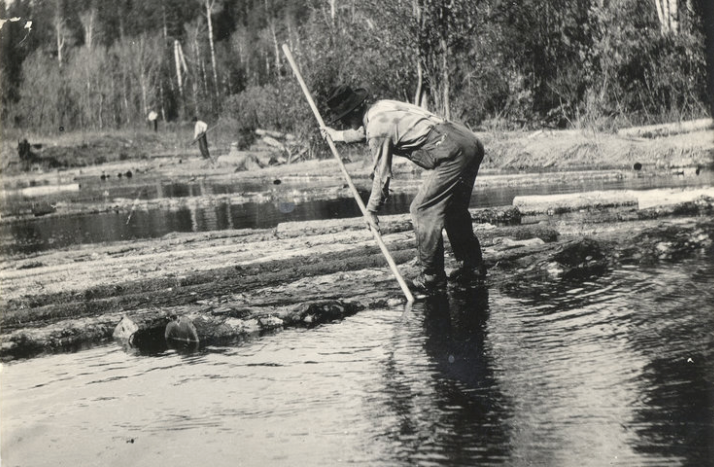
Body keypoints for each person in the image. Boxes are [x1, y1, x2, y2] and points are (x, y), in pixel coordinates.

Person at [321, 85, 487, 292]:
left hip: (452, 151)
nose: (345, 122)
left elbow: (382, 177)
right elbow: (365, 132)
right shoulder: (380, 108)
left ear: (355, 112)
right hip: (468, 141)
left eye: (345, 118)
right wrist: (337, 135)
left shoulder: (377, 130)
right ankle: (472, 267)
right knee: (454, 210)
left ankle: (432, 275)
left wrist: (371, 210)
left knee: (422, 210)